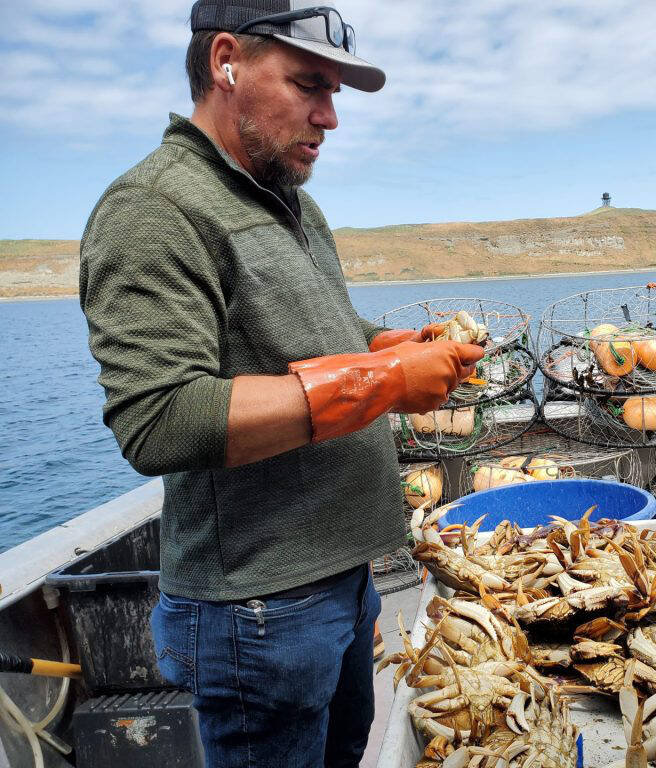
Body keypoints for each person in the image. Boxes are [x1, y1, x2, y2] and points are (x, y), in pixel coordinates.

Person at [78, 2, 485, 766]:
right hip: (255, 613)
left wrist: (389, 346)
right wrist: (387, 377)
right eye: (308, 84)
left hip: (340, 581)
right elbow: (160, 418)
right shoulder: (153, 208)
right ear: (226, 61)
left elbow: (324, 336)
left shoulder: (293, 201)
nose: (329, 117)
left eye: (334, 92)